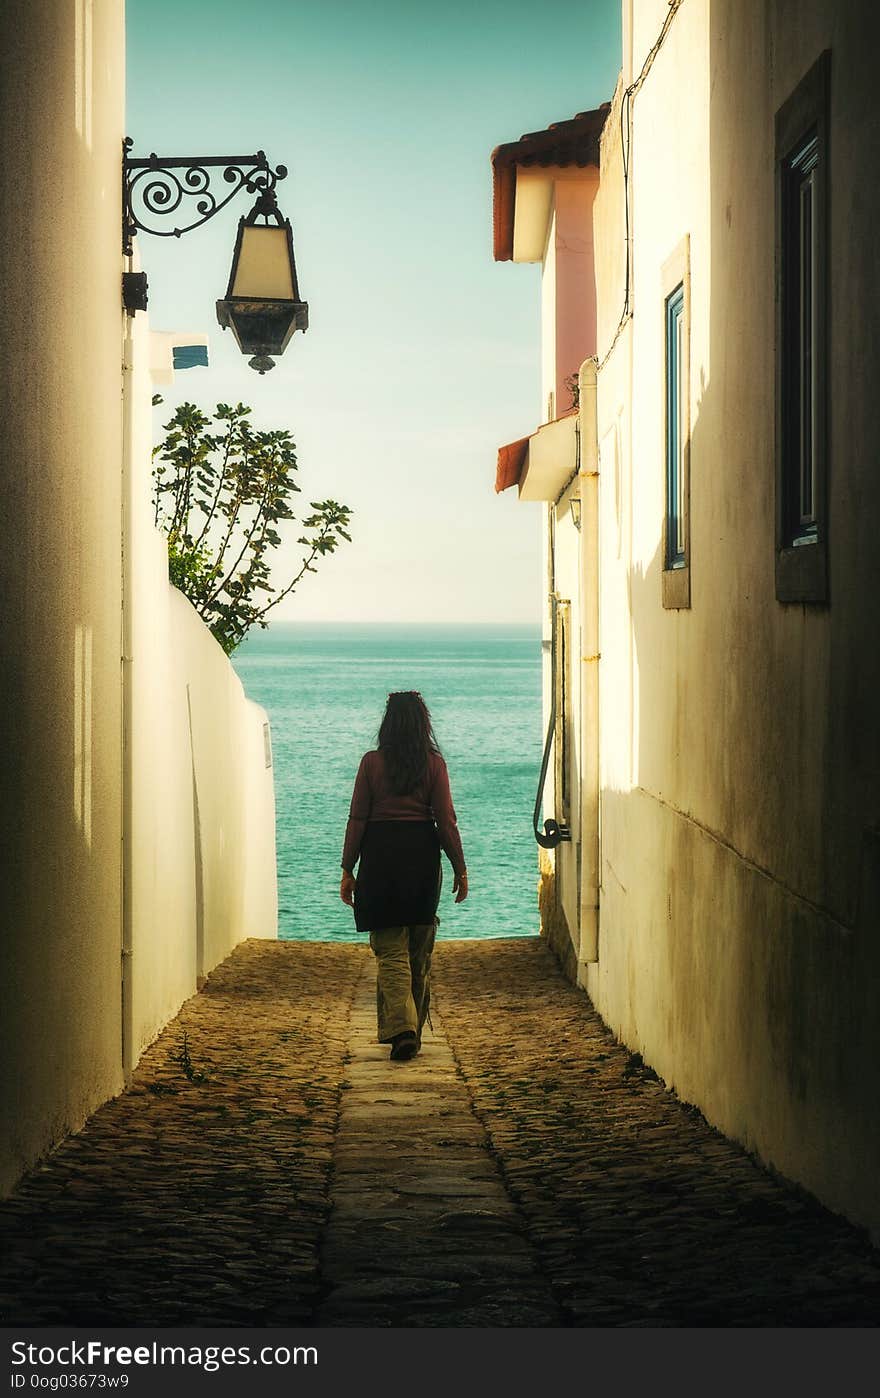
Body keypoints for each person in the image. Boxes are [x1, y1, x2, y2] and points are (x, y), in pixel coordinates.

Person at [340, 691, 468, 1062]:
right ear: (423, 724)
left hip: (379, 858)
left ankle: (403, 1030)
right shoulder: (434, 765)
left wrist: (348, 868)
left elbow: (357, 818)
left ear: (388, 724)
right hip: (421, 857)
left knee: (390, 949)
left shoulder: (370, 764)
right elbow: (445, 820)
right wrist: (459, 867)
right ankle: (409, 1030)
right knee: (418, 950)